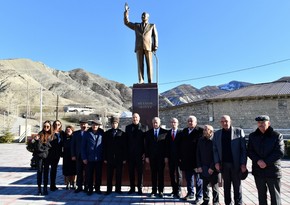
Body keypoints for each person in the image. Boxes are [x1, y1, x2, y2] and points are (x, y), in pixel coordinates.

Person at [247, 115, 284, 205]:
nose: (261, 124)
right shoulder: (253, 136)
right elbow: (250, 151)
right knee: (261, 196)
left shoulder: (276, 135)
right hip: (258, 171)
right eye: (259, 123)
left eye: (263, 122)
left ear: (268, 123)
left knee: (275, 197)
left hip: (273, 170)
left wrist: (266, 162)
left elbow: (279, 152)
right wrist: (258, 161)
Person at [212, 115, 247, 205]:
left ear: (230, 121)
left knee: (237, 186)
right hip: (224, 165)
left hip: (236, 165)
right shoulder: (217, 134)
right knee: (226, 187)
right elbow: (215, 149)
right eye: (222, 121)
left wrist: (243, 163)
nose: (224, 123)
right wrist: (216, 162)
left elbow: (243, 149)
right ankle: (228, 203)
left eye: (226, 121)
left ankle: (238, 203)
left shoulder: (239, 131)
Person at [124, 3, 158, 84]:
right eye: (142, 15)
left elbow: (155, 35)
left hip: (148, 47)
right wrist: (126, 12)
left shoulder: (152, 26)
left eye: (144, 15)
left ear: (148, 17)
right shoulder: (136, 25)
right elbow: (127, 23)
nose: (143, 16)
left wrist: (155, 46)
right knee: (140, 65)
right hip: (139, 47)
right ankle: (141, 80)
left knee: (149, 64)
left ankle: (150, 81)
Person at [177, 115, 203, 203]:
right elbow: (180, 145)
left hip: (196, 160)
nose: (190, 122)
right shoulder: (184, 131)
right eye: (189, 121)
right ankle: (190, 193)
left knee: (198, 180)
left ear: (196, 122)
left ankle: (199, 197)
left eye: (192, 121)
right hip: (186, 160)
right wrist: (180, 157)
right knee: (189, 179)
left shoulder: (200, 131)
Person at [145, 117, 169, 198]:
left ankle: (161, 191)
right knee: (153, 174)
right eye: (154, 122)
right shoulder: (148, 133)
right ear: (152, 123)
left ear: (159, 123)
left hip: (161, 158)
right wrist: (147, 156)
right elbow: (146, 146)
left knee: (161, 174)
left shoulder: (165, 132)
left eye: (156, 122)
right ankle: (154, 190)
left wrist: (166, 156)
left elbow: (166, 146)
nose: (155, 124)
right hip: (152, 157)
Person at [125, 113, 148, 195]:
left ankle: (140, 188)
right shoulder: (128, 128)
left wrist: (145, 153)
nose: (135, 119)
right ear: (132, 118)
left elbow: (146, 142)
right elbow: (126, 142)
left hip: (140, 155)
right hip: (130, 155)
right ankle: (132, 188)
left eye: (136, 117)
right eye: (133, 117)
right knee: (131, 172)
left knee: (140, 173)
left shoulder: (144, 127)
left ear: (139, 118)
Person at [103, 117, 127, 195]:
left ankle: (118, 189)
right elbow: (105, 147)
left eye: (116, 123)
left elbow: (124, 147)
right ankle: (109, 189)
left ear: (118, 124)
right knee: (109, 175)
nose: (114, 125)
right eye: (113, 123)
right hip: (109, 158)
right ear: (111, 124)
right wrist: (105, 157)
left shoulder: (122, 133)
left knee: (118, 174)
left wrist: (124, 158)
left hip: (119, 158)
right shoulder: (107, 133)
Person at [196, 125, 219, 205]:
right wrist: (199, 166)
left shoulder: (215, 140)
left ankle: (215, 202)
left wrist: (212, 167)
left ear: (211, 131)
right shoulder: (200, 140)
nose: (204, 131)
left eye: (206, 130)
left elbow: (217, 155)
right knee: (205, 186)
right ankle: (206, 201)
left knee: (214, 187)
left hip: (213, 168)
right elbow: (198, 153)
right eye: (204, 130)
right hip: (203, 167)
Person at [81, 119, 104, 196]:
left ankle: (97, 189)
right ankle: (90, 189)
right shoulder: (87, 133)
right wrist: (84, 158)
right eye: (93, 125)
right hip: (89, 158)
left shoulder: (102, 133)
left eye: (96, 125)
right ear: (91, 125)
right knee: (89, 175)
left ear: (98, 126)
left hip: (99, 158)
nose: (95, 126)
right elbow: (83, 147)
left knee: (99, 174)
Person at [33, 120, 52, 195]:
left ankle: (45, 188)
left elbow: (51, 146)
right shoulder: (39, 135)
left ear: (50, 127)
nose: (46, 128)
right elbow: (38, 147)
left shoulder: (51, 135)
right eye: (44, 126)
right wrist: (37, 141)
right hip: (40, 157)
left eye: (48, 126)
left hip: (47, 157)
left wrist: (46, 147)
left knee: (46, 173)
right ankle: (39, 189)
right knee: (39, 172)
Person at [71, 119, 89, 193]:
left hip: (87, 157)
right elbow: (72, 145)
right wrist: (73, 155)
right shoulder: (75, 134)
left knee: (87, 172)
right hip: (78, 156)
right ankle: (79, 186)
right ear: (80, 125)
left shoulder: (90, 133)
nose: (83, 126)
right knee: (79, 172)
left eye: (85, 124)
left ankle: (86, 186)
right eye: (82, 124)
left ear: (87, 125)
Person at [47, 120, 64, 191]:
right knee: (46, 170)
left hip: (57, 154)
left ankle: (52, 185)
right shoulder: (50, 132)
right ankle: (45, 185)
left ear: (60, 125)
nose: (57, 126)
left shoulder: (62, 133)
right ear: (53, 125)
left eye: (58, 124)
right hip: (49, 153)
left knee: (54, 170)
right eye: (55, 124)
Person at [167, 117, 182, 198]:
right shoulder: (168, 133)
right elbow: (166, 146)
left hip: (179, 158)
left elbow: (183, 146)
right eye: (172, 122)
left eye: (175, 122)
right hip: (171, 158)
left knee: (179, 174)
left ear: (177, 123)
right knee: (172, 174)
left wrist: (181, 156)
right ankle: (174, 190)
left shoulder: (181, 133)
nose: (173, 124)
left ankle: (179, 190)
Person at [62, 125, 76, 190]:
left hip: (73, 156)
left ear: (72, 130)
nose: (68, 131)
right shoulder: (64, 138)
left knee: (74, 170)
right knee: (66, 170)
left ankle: (74, 183)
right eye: (67, 130)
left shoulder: (74, 137)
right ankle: (67, 183)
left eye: (69, 130)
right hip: (66, 156)